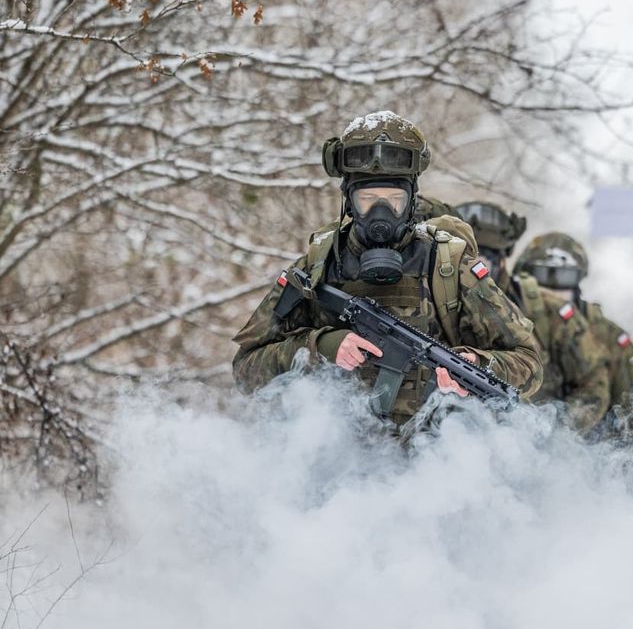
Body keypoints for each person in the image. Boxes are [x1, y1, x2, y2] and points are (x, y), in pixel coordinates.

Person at [231, 112, 542, 428]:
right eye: (367, 199)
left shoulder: (449, 266)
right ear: (349, 201)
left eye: (394, 199)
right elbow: (245, 370)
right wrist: (320, 347)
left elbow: (529, 364)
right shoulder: (317, 267)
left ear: (411, 201)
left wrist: (478, 364)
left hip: (438, 453)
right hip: (330, 448)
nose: (381, 213)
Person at [443, 201, 611, 435]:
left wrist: (553, 431)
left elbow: (593, 385)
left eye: (479, 262)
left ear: (502, 261)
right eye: (459, 261)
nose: (468, 270)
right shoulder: (431, 302)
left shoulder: (548, 311)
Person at [515, 232, 633, 449]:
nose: (553, 291)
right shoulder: (510, 321)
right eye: (542, 277)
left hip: (587, 450)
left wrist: (556, 433)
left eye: (564, 279)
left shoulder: (609, 338)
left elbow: (632, 419)